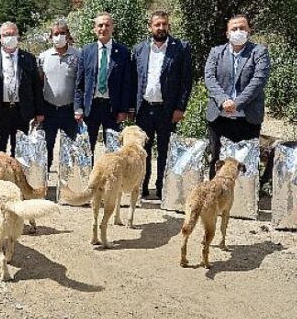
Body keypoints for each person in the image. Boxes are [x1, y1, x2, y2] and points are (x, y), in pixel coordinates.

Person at [131, 11, 193, 199]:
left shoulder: (180, 48)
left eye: (164, 24)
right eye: (157, 24)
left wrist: (180, 108)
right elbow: (133, 80)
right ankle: (141, 187)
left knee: (166, 151)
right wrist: (131, 108)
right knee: (142, 152)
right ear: (150, 26)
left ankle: (162, 188)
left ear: (168, 26)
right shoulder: (139, 49)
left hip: (168, 110)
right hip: (144, 109)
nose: (161, 28)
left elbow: (186, 81)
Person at [204, 14, 270, 178]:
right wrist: (223, 100)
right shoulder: (216, 52)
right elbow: (210, 78)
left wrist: (236, 103)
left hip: (247, 117)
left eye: (242, 28)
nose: (238, 31)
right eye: (234, 29)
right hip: (219, 117)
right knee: (217, 160)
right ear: (227, 33)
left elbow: (258, 81)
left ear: (249, 31)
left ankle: (245, 201)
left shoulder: (259, 52)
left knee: (246, 162)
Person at [74, 12, 135, 159]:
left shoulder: (123, 52)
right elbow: (79, 83)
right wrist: (78, 108)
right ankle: (88, 179)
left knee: (113, 150)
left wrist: (124, 109)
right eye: (100, 25)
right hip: (91, 108)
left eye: (107, 25)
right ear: (94, 29)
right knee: (86, 149)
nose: (103, 28)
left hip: (112, 109)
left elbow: (127, 84)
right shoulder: (86, 52)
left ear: (113, 28)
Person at [0, 21, 44, 156]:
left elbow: (36, 86)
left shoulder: (29, 58)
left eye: (12, 34)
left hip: (22, 112)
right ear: (0, 38)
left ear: (18, 36)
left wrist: (39, 111)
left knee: (19, 151)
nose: (9, 37)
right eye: (6, 35)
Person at [38, 19, 80, 170]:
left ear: (68, 35)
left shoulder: (78, 55)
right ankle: (45, 179)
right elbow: (39, 83)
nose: (59, 36)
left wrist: (79, 108)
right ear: (50, 36)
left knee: (70, 148)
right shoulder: (43, 57)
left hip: (70, 111)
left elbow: (81, 84)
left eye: (62, 33)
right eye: (56, 33)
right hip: (49, 110)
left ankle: (68, 183)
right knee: (46, 146)